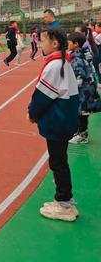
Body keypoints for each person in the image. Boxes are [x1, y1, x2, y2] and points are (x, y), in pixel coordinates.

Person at [27, 28, 79, 222]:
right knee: (59, 160)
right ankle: (65, 200)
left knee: (57, 162)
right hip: (64, 119)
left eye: (43, 41)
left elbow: (42, 97)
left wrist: (32, 114)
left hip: (58, 121)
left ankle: (65, 204)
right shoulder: (62, 62)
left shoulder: (55, 66)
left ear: (54, 43)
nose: (41, 45)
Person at [67, 32, 101, 145]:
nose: (67, 44)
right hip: (89, 88)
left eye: (69, 42)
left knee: (81, 113)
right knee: (82, 113)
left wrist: (70, 89)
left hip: (83, 90)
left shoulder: (77, 59)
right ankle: (80, 132)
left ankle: (82, 135)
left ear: (76, 44)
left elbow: (79, 77)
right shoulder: (84, 54)